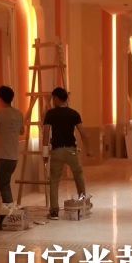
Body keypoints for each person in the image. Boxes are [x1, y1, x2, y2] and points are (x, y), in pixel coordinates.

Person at [42, 86, 92, 220]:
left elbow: (45, 134)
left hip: (57, 151)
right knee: (79, 176)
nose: (52, 101)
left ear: (56, 98)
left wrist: (45, 154)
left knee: (54, 181)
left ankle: (54, 212)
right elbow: (83, 133)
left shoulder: (50, 114)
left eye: (53, 99)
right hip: (71, 151)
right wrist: (89, 150)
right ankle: (83, 204)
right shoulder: (74, 113)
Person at [0, 85, 24, 205]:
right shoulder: (18, 113)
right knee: (6, 184)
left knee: (3, 185)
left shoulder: (1, 113)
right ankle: (9, 210)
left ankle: (9, 211)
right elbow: (22, 131)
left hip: (4, 157)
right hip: (14, 157)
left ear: (0, 98)